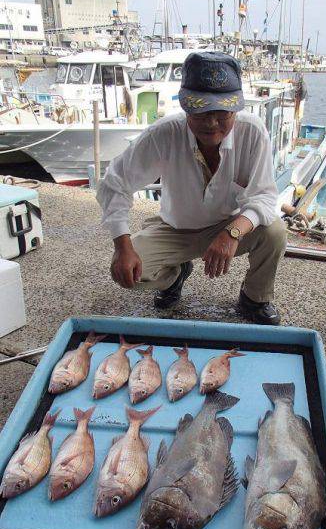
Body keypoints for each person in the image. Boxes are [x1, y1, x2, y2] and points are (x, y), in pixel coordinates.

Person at [97, 52, 286, 325]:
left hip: (228, 224)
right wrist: (122, 246)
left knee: (275, 231)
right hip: (175, 228)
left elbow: (265, 197)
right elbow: (114, 183)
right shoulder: (162, 133)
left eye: (222, 113)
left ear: (235, 109)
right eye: (200, 111)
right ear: (186, 107)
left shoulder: (253, 132)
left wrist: (231, 233)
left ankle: (255, 297)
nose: (211, 123)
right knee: (127, 274)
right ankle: (175, 275)